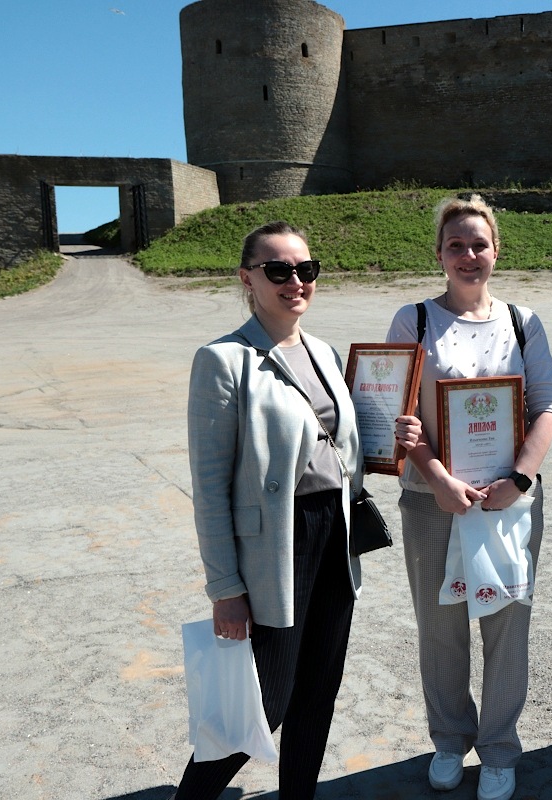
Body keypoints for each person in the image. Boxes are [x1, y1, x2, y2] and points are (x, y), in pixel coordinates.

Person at [172, 221, 365, 800]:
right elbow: (209, 487)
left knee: (318, 689)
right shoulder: (222, 360)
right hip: (276, 545)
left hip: (335, 532)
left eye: (306, 269)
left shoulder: (324, 352)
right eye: (278, 270)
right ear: (247, 278)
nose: (294, 281)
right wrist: (224, 588)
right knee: (267, 698)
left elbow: (344, 446)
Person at [386, 195, 552, 800]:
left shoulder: (523, 322)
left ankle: (500, 748)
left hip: (509, 499)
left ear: (496, 250)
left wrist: (520, 480)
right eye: (455, 244)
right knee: (440, 627)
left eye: (478, 244)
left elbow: (546, 407)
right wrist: (438, 478)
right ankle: (449, 739)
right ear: (439, 253)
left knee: (507, 626)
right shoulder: (413, 320)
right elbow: (401, 416)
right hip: (432, 498)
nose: (468, 255)